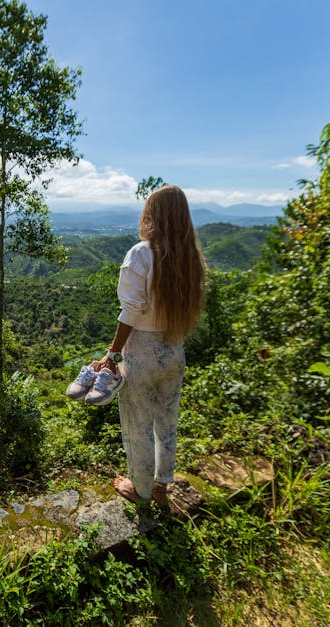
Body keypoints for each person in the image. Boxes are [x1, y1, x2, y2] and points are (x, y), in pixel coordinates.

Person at [92, 185, 205, 503]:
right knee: (167, 420)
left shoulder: (141, 253)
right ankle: (161, 485)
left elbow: (131, 310)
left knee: (138, 422)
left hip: (141, 353)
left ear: (151, 215)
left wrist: (113, 354)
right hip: (174, 350)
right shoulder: (190, 258)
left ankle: (140, 490)